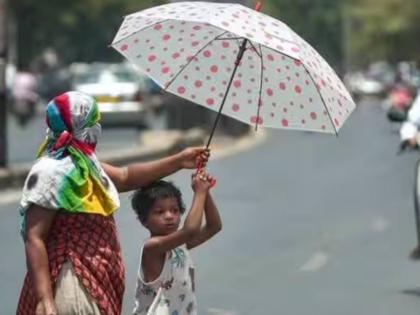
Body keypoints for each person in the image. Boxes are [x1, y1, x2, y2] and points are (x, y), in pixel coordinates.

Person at [16, 91, 210, 315]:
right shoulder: (51, 171)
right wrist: (45, 300)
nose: (97, 127)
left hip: (96, 279)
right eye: (93, 121)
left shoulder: (86, 163)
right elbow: (34, 237)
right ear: (80, 124)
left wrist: (179, 160)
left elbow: (126, 176)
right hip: (71, 280)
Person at [131, 172, 221, 315]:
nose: (169, 216)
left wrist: (206, 192)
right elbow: (190, 229)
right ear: (144, 221)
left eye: (175, 210)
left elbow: (214, 226)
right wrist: (200, 192)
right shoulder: (152, 247)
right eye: (160, 212)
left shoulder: (179, 246)